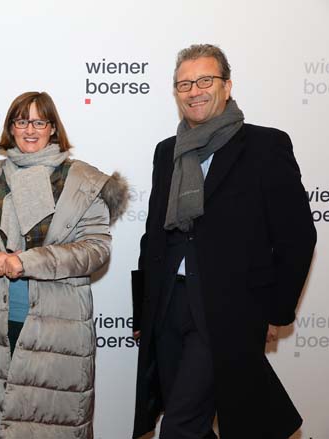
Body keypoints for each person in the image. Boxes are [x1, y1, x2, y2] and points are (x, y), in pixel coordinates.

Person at [132, 44, 317, 439]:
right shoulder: (167, 152)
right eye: (185, 84)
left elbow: (297, 235)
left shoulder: (265, 146)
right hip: (168, 305)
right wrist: (141, 311)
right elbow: (153, 236)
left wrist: (276, 310)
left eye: (205, 80)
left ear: (227, 86)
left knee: (179, 425)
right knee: (192, 421)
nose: (194, 91)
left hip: (228, 309)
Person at [0, 91, 128, 438]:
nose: (30, 130)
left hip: (58, 324)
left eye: (39, 122)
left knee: (48, 425)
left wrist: (28, 262)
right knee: (3, 423)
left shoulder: (82, 181)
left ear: (53, 128)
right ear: (11, 127)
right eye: (22, 121)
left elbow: (96, 249)